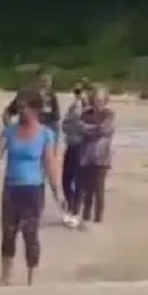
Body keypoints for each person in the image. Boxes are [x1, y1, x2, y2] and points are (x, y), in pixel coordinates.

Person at [0, 90, 62, 286]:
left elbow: (50, 164)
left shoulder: (46, 134)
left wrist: (58, 192)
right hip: (11, 188)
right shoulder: (10, 132)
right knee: (8, 232)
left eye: (25, 108)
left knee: (31, 234)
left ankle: (32, 277)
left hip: (33, 189)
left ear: (36, 109)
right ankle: (6, 276)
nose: (21, 112)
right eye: (19, 107)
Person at [77, 85, 116, 226]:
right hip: (86, 156)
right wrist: (95, 129)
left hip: (102, 157)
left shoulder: (110, 114)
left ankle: (98, 219)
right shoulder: (85, 113)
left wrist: (91, 129)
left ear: (106, 100)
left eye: (101, 100)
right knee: (87, 189)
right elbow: (80, 128)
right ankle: (86, 216)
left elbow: (106, 129)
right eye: (96, 99)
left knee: (99, 188)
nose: (98, 102)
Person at [59, 81, 89, 228]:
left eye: (80, 91)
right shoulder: (73, 106)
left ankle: (76, 211)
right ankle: (70, 205)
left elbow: (82, 126)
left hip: (81, 146)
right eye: (76, 91)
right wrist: (72, 124)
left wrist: (73, 124)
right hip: (71, 143)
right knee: (66, 178)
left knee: (77, 180)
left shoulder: (88, 108)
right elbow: (64, 124)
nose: (78, 94)